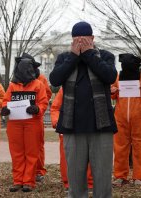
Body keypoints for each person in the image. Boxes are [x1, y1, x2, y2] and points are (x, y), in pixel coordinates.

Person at [49, 21, 117, 198]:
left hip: (101, 126)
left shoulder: (105, 56)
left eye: (84, 39)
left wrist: (89, 54)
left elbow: (109, 76)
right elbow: (55, 80)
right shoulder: (65, 58)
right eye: (76, 39)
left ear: (92, 39)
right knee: (75, 180)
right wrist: (73, 56)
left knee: (102, 179)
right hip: (73, 126)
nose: (80, 42)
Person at [1, 57, 48, 192]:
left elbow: (43, 103)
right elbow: (5, 101)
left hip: (32, 122)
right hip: (15, 123)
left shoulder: (38, 85)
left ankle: (28, 181)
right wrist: (5, 109)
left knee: (31, 153)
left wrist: (37, 109)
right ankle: (18, 181)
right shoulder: (12, 86)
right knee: (17, 153)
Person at [110, 53, 141, 186]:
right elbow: (113, 96)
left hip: (140, 118)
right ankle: (120, 176)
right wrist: (112, 90)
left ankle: (139, 176)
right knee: (120, 148)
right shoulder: (118, 77)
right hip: (120, 118)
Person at [50, 88, 94, 190]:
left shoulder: (93, 86)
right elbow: (55, 108)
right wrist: (57, 122)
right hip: (67, 127)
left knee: (90, 155)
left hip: (88, 126)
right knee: (67, 157)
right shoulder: (65, 87)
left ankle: (89, 182)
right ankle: (69, 183)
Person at [19, 53, 52, 182]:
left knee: (38, 145)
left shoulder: (41, 79)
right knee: (22, 147)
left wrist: (38, 107)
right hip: (20, 118)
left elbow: (47, 95)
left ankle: (38, 171)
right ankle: (24, 171)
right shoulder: (17, 80)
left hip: (35, 116)